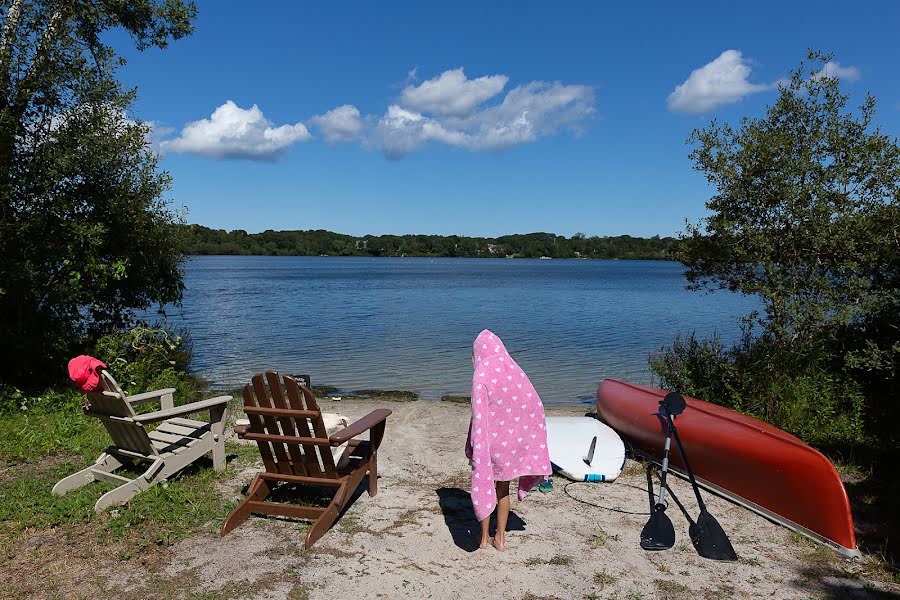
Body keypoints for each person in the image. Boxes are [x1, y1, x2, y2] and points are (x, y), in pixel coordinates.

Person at [465, 329, 551, 550]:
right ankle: (500, 539)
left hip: (491, 443)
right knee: (503, 489)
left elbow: (479, 415)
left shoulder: (482, 374)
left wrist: (477, 445)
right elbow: (534, 403)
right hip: (511, 444)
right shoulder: (514, 370)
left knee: (485, 483)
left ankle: (484, 538)